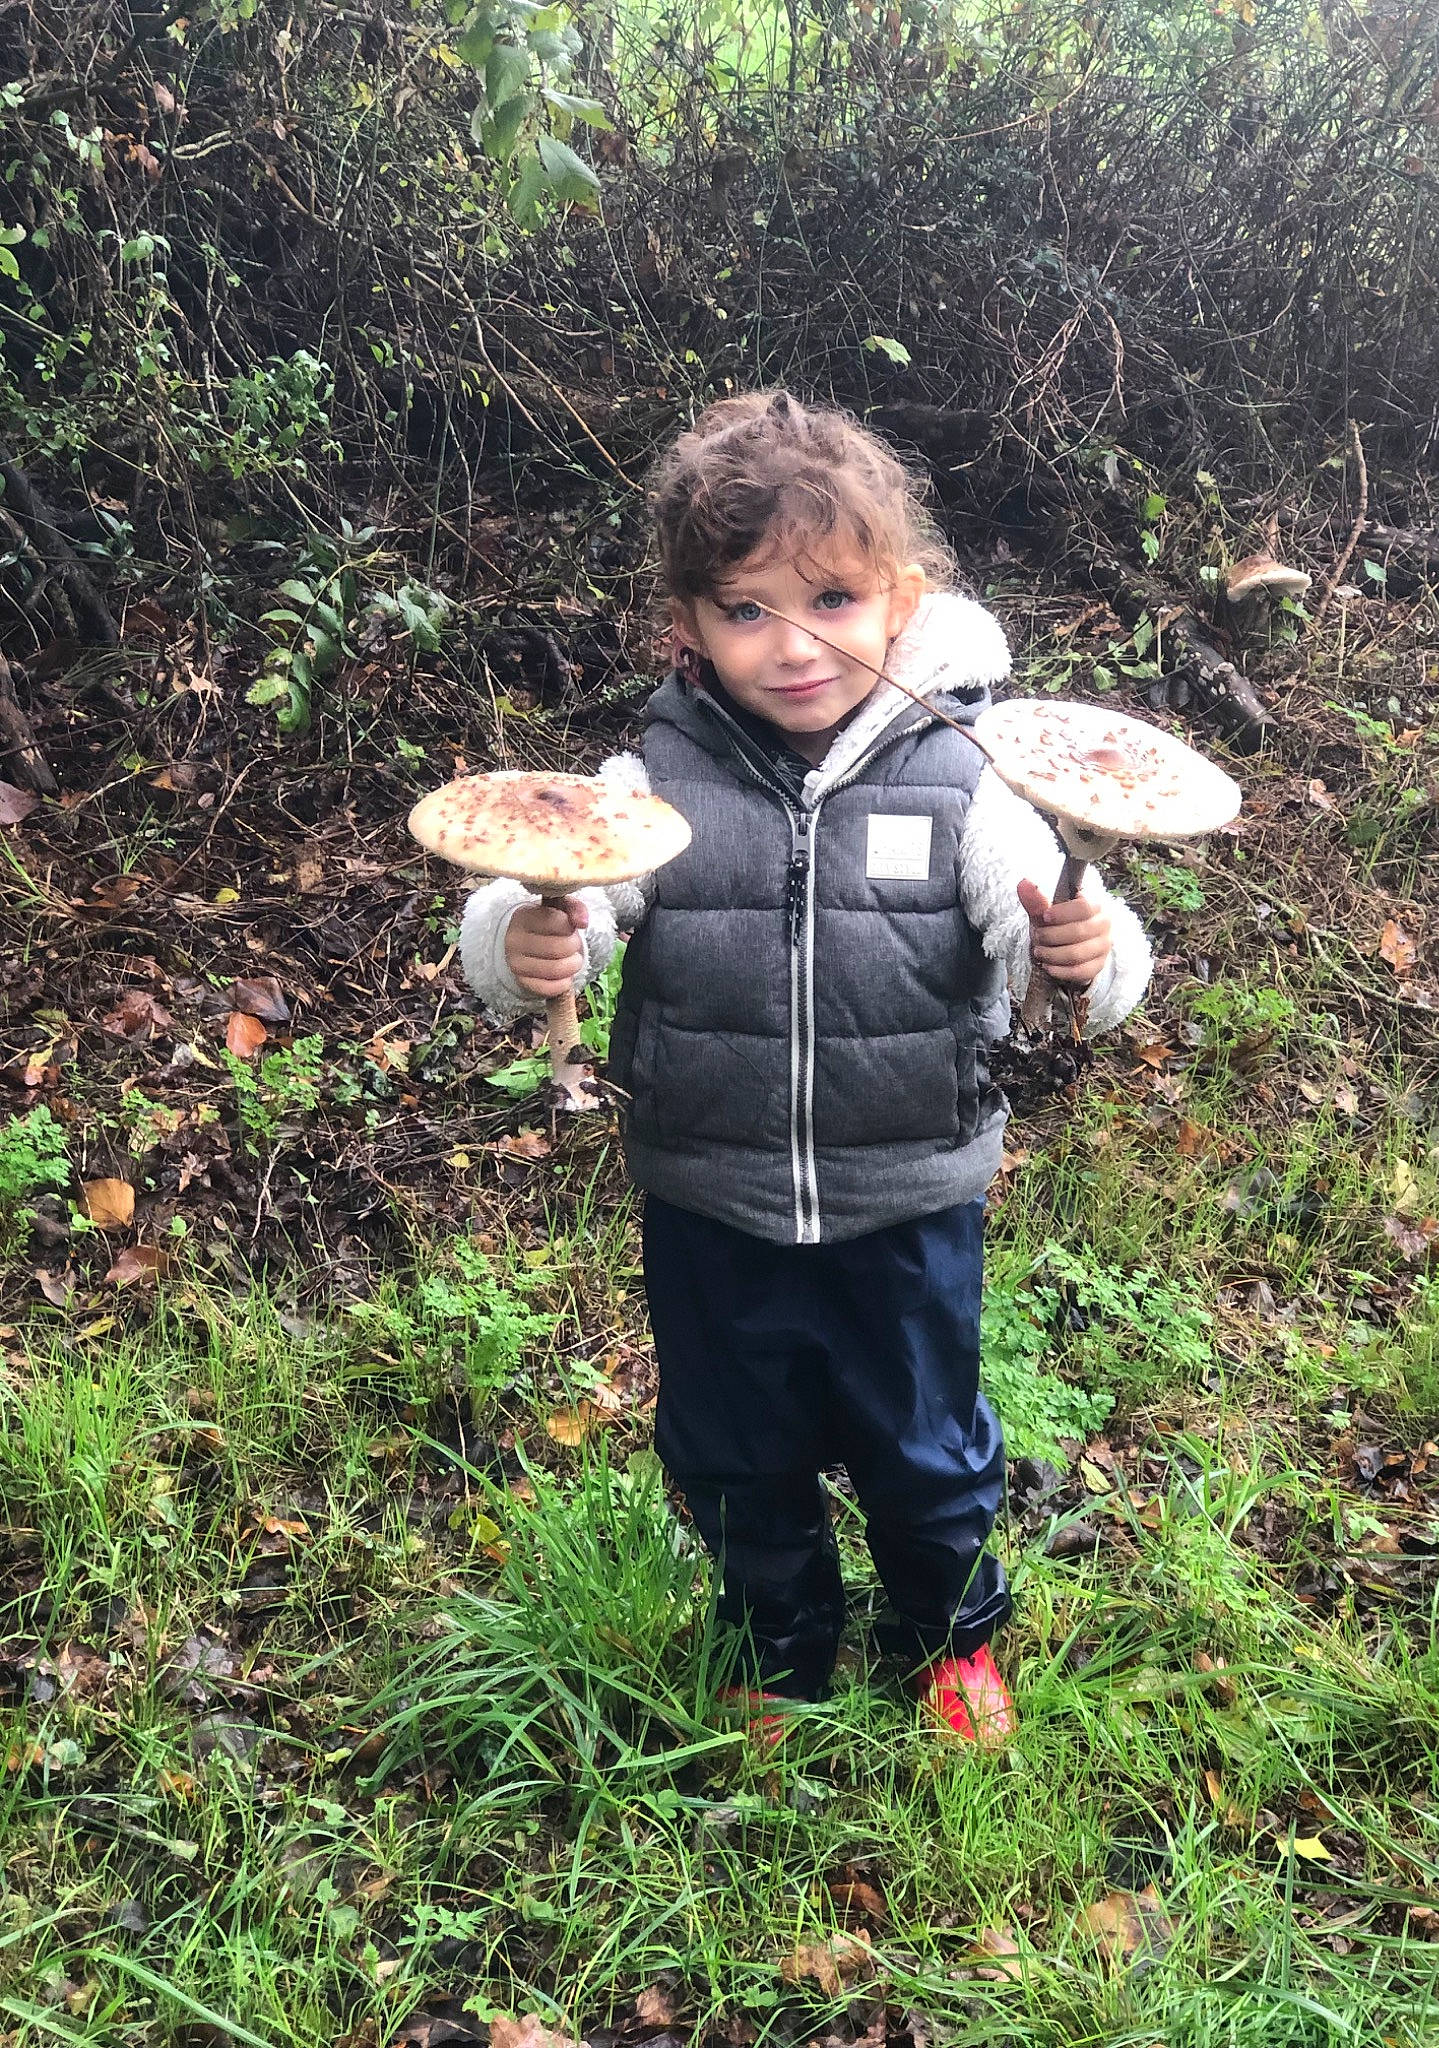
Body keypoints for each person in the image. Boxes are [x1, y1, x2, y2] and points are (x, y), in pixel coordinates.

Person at [460, 391, 1152, 1745]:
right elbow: (566, 893)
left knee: (927, 1442)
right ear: (689, 626)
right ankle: (779, 1644)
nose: (792, 647)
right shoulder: (656, 775)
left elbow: (1043, 922)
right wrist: (526, 943)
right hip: (713, 1194)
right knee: (733, 1449)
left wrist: (1080, 955)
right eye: (745, 611)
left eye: (830, 600)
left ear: (898, 601)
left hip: (908, 1193)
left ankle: (949, 1637)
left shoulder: (968, 777)